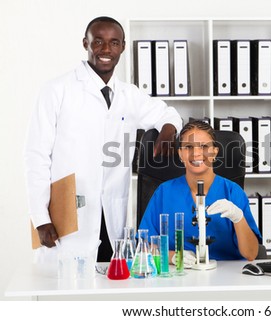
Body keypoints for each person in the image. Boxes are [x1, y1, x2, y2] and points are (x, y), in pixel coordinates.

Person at [24, 16, 182, 263]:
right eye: (98, 41)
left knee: (108, 286)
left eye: (114, 42)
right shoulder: (56, 90)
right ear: (85, 43)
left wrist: (168, 130)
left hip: (111, 217)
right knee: (66, 289)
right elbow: (36, 156)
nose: (106, 50)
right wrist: (40, 218)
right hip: (65, 218)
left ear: (123, 47)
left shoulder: (130, 95)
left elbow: (167, 113)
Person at [139, 120, 261, 263]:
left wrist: (238, 218)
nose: (196, 153)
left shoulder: (232, 192)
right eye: (188, 147)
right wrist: (172, 256)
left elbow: (251, 254)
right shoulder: (164, 193)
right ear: (180, 154)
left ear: (215, 152)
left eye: (204, 146)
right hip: (178, 275)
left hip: (227, 278)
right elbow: (143, 246)